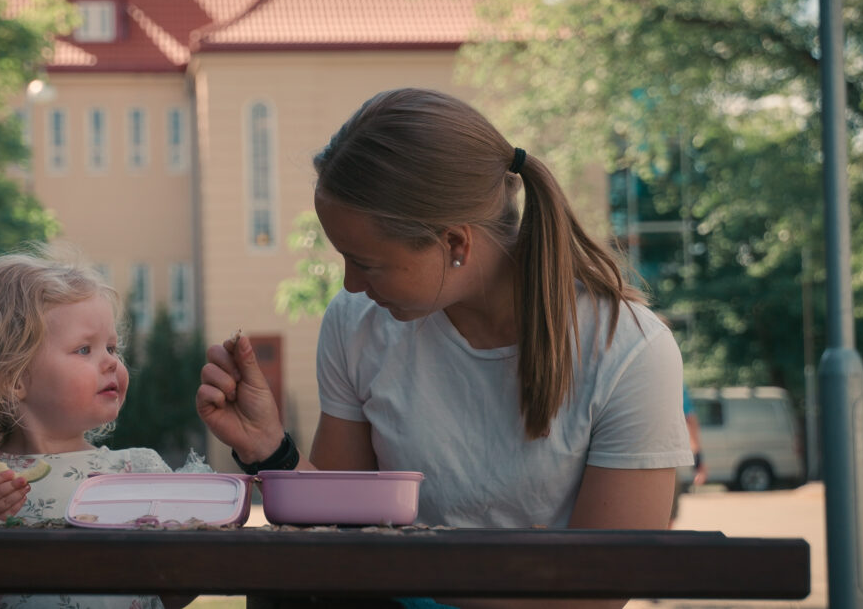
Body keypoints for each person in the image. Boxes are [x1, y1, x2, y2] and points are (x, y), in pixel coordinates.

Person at [197, 88, 692, 608]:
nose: (349, 285)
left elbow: (595, 592)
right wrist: (268, 449)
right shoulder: (358, 323)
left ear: (455, 244)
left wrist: (409, 579)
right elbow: (336, 533)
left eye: (367, 262)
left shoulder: (630, 351)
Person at [0, 247, 188, 609]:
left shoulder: (140, 472)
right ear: (14, 378)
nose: (111, 363)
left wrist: (194, 553)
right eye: (85, 350)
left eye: (113, 348)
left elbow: (173, 594)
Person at [670, 386, 708, 527]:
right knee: (666, 518)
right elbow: (690, 419)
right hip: (663, 461)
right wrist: (699, 462)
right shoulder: (671, 374)